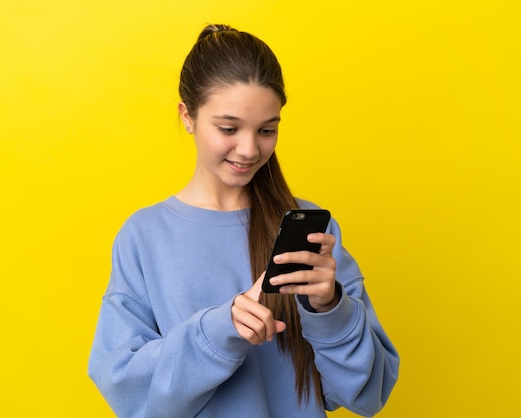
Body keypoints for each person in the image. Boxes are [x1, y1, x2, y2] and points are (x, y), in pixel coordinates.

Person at [88, 24, 399, 418]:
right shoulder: (145, 237)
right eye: (229, 129)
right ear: (188, 115)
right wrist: (220, 330)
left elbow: (367, 396)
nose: (250, 149)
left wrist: (331, 309)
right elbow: (128, 392)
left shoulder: (310, 231)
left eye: (267, 130)